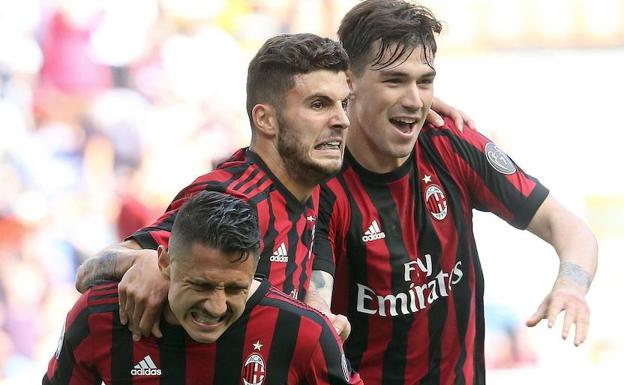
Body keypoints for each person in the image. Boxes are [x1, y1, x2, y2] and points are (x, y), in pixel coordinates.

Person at [74, 32, 471, 341]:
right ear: (265, 120)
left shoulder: (309, 181)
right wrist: (143, 260)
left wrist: (410, 105)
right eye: (319, 105)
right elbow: (93, 268)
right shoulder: (235, 198)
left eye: (344, 104)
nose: (342, 121)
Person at [311, 1, 598, 385]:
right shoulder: (323, 184)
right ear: (349, 84)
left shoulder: (453, 146)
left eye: (425, 81)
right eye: (394, 81)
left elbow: (567, 225)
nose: (414, 99)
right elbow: (316, 303)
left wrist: (572, 286)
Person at [44, 190, 362, 385]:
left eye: (235, 288)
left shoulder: (303, 333)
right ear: (165, 263)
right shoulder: (100, 316)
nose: (216, 306)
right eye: (201, 285)